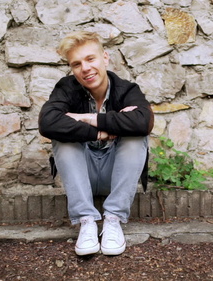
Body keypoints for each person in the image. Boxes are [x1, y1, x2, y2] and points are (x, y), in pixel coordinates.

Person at [38, 31, 154, 256]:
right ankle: (87, 221)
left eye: (90, 59)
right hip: (84, 175)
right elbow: (48, 123)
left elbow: (143, 122)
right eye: (76, 64)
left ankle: (113, 220)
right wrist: (101, 133)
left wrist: (87, 118)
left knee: (135, 136)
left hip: (116, 174)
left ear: (105, 58)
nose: (85, 68)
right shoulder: (66, 88)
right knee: (64, 140)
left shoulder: (127, 89)